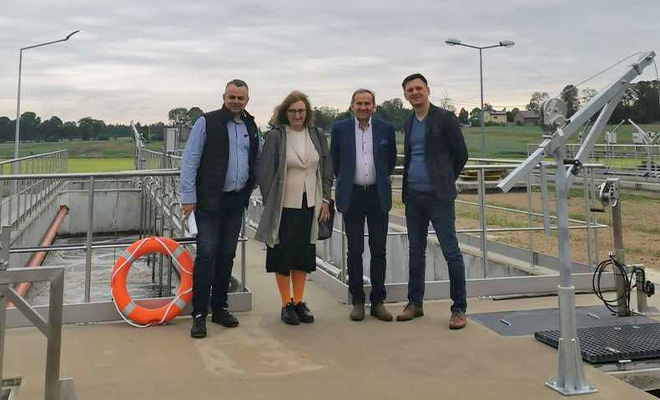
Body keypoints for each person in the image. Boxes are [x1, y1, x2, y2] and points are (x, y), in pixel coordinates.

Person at [179, 79, 261, 338]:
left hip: (235, 202)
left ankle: (220, 307)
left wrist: (251, 188)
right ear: (224, 97)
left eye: (241, 97)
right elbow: (190, 160)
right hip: (208, 201)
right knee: (206, 255)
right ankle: (199, 313)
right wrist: (188, 197)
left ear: (247, 100)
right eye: (232, 97)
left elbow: (256, 160)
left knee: (227, 255)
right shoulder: (206, 122)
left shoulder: (250, 126)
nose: (236, 101)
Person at [398, 73, 469, 330]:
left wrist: (445, 178)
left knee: (451, 251)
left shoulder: (445, 118)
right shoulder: (408, 122)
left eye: (418, 88)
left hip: (439, 197)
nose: (414, 93)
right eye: (410, 90)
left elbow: (461, 154)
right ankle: (414, 303)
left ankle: (459, 309)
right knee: (415, 251)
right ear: (405, 95)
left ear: (428, 90)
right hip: (413, 197)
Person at [255, 91, 332, 325]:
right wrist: (270, 201)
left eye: (301, 110)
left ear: (307, 112)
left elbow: (326, 168)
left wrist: (326, 199)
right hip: (284, 206)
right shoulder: (277, 136)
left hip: (310, 204)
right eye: (293, 111)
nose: (297, 115)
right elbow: (266, 171)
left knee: (303, 254)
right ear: (285, 113)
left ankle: (299, 301)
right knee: (283, 254)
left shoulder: (316, 134)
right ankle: (286, 303)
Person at [330, 89, 396, 322]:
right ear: (352, 106)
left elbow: (390, 161)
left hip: (378, 195)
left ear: (374, 106)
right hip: (353, 195)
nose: (363, 107)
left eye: (367, 103)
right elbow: (335, 160)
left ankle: (378, 301)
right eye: (359, 103)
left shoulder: (386, 129)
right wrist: (346, 179)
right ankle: (357, 301)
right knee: (354, 250)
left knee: (379, 250)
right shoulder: (340, 129)